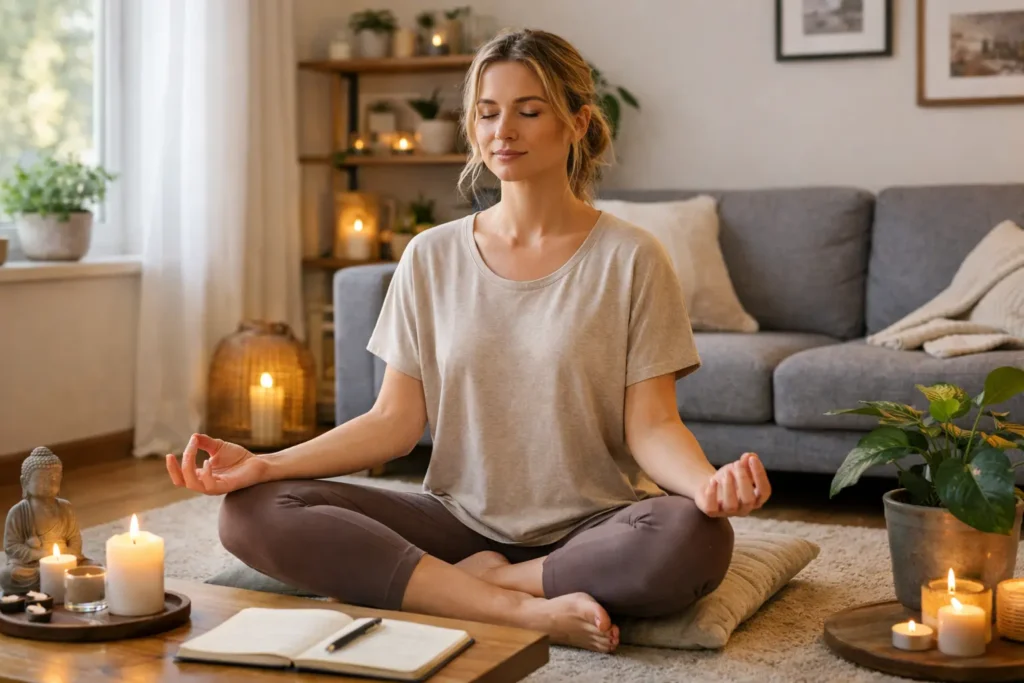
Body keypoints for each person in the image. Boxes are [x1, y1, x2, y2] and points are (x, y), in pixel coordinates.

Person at [166, 28, 771, 654]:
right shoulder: (430, 255)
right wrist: (266, 465)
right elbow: (393, 423)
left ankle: (494, 584)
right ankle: (510, 609)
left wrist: (705, 485)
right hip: (456, 521)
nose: (502, 130)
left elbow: (652, 426)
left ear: (578, 122)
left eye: (529, 111)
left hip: (593, 525)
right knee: (250, 510)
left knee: (694, 537)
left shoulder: (633, 258)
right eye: (487, 112)